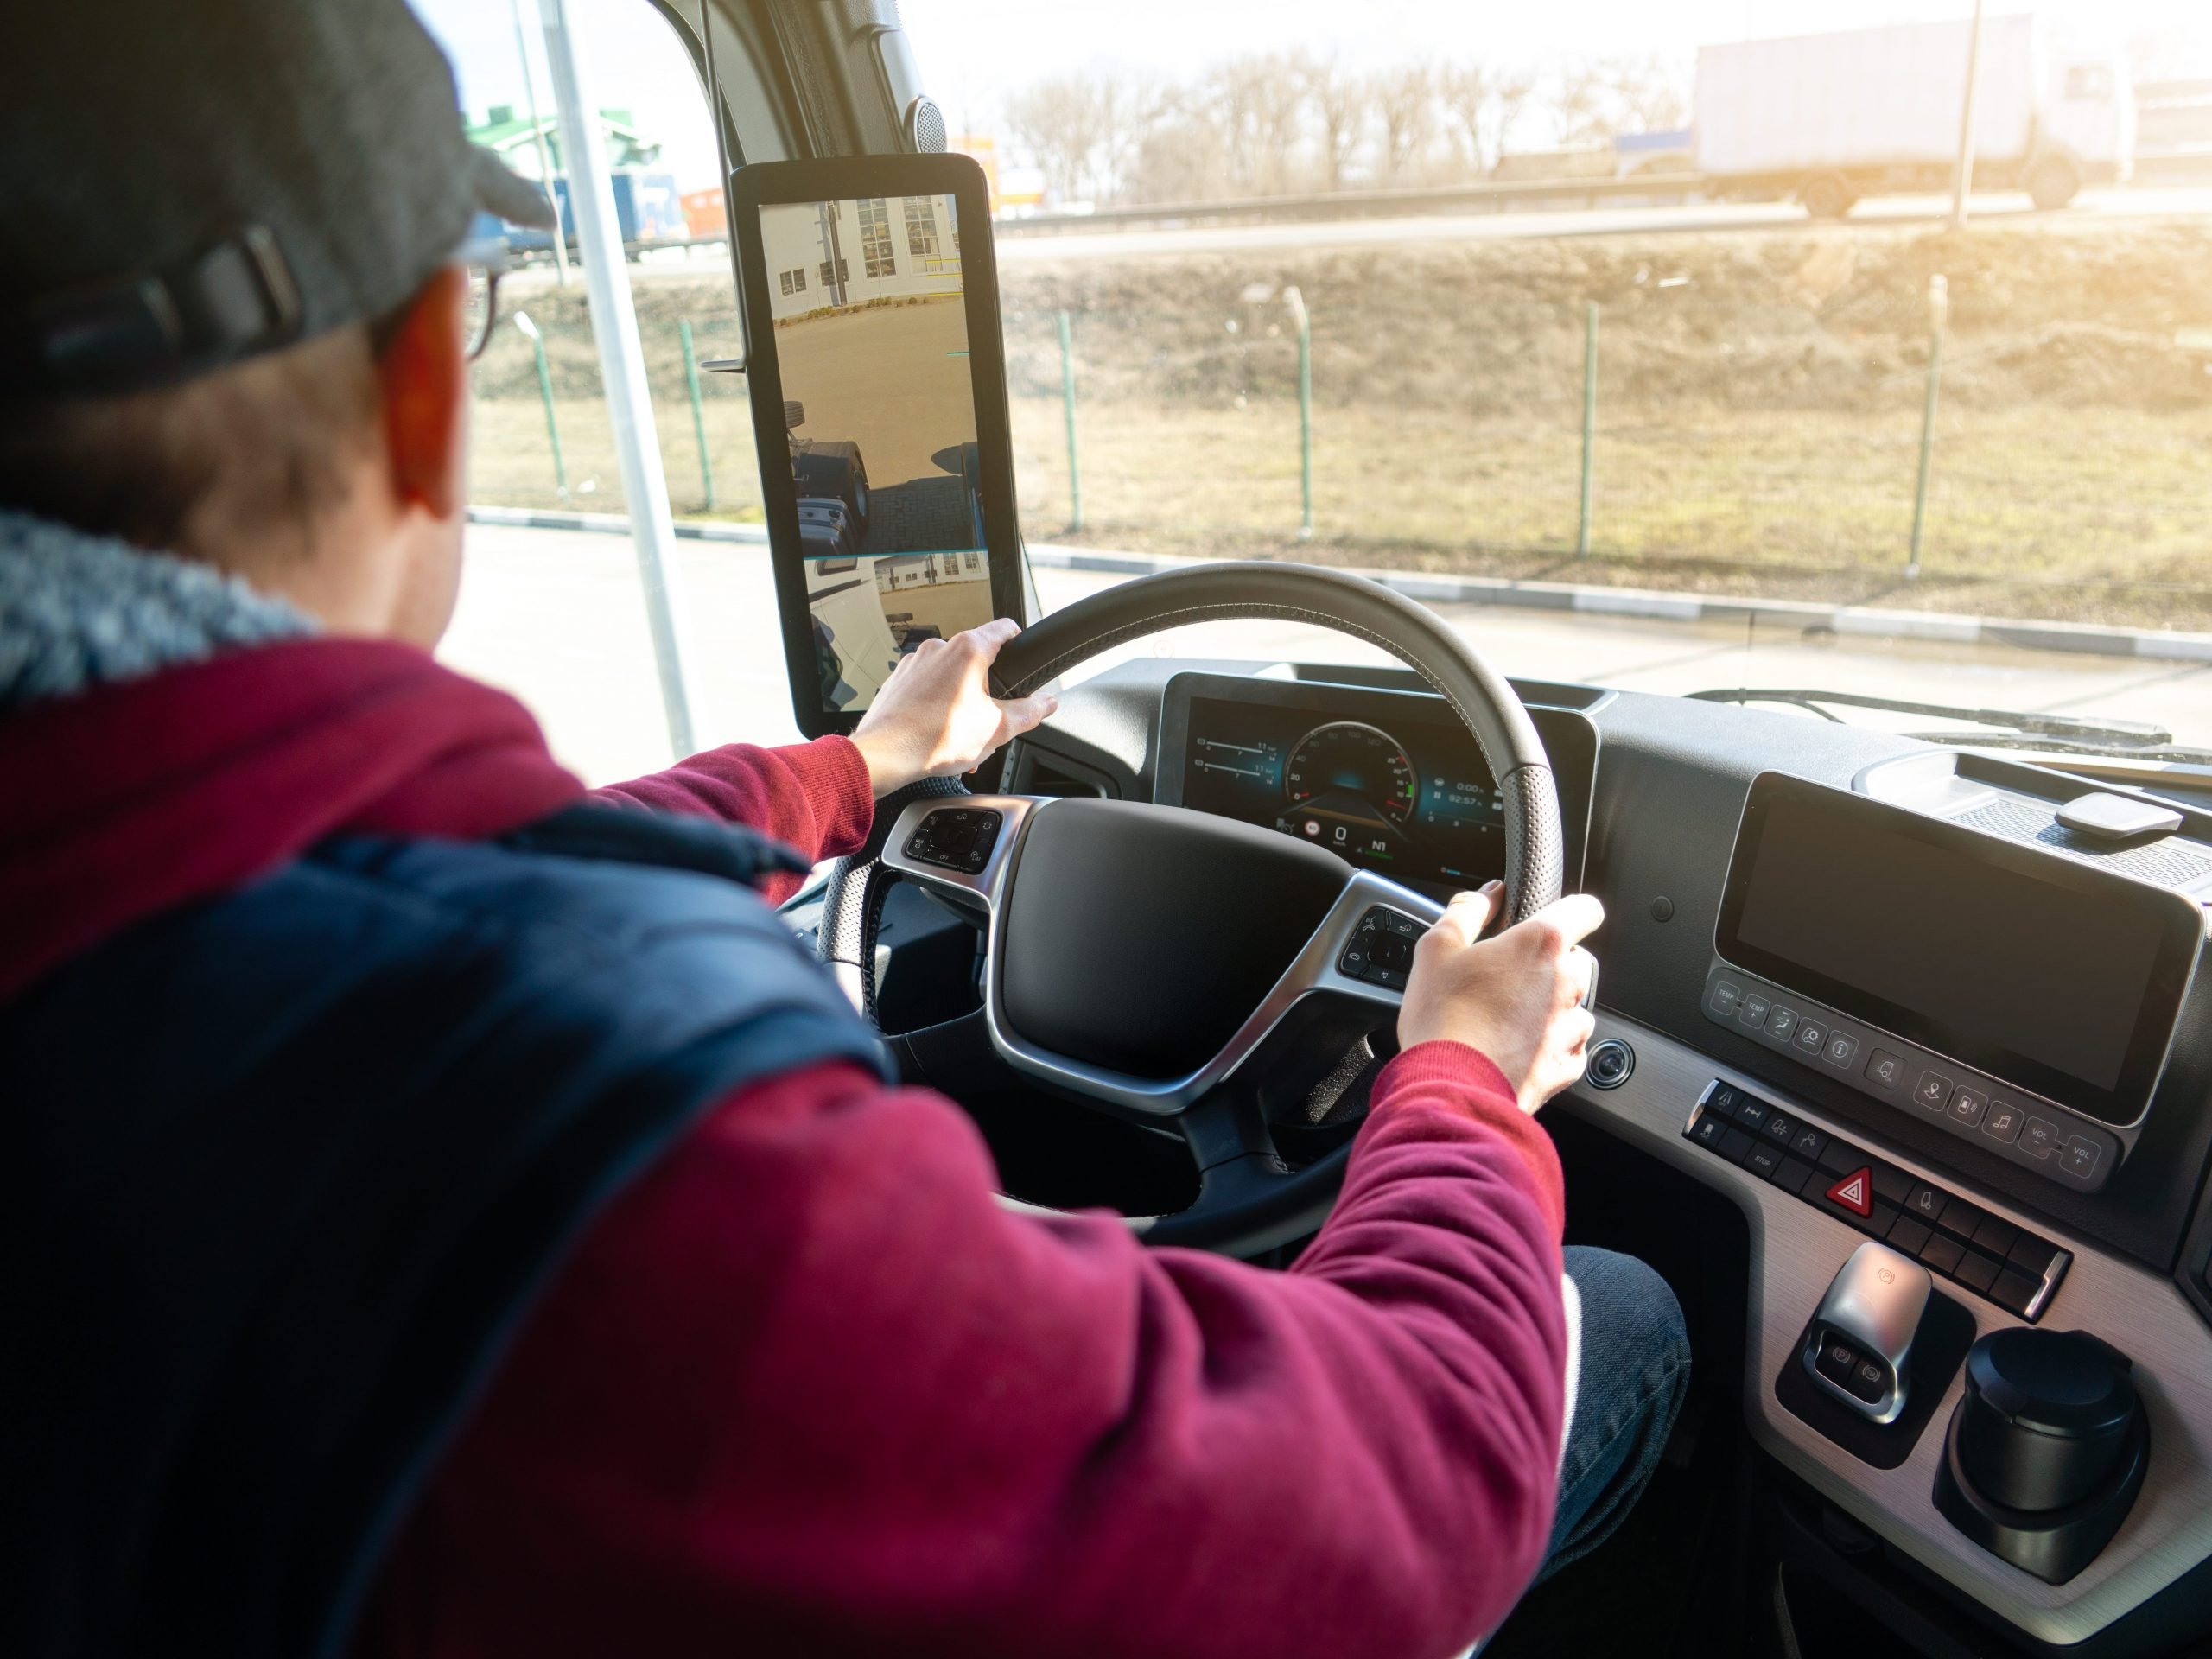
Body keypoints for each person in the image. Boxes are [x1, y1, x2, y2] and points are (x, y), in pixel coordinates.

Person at [0, 3, 1689, 1656]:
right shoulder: (576, 1112)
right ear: (425, 390)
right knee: (1608, 1318)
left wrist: (856, 769)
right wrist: (1460, 1089)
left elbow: (522, 856)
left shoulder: (193, 899)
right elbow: (1388, 1518)